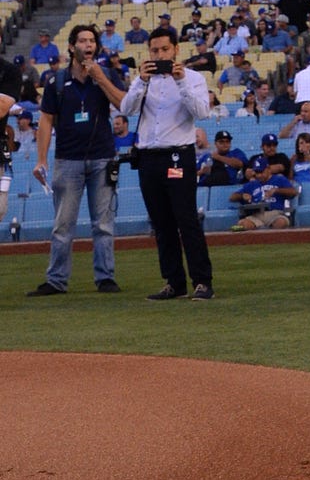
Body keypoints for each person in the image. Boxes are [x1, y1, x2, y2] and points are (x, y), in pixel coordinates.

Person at [28, 24, 127, 296]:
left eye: (92, 41)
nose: (88, 45)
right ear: (72, 47)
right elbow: (46, 120)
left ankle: (105, 277)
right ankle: (56, 280)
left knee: (103, 223)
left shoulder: (106, 74)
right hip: (67, 159)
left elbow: (123, 104)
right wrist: (41, 159)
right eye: (82, 41)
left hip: (102, 157)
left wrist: (101, 79)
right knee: (63, 225)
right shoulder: (56, 81)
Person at [118, 29, 217, 301]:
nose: (159, 55)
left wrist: (181, 80)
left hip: (178, 155)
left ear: (175, 50)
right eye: (154, 51)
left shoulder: (193, 78)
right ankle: (174, 282)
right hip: (149, 157)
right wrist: (140, 80)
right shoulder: (143, 80)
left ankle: (202, 281)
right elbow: (126, 109)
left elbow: (202, 112)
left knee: (186, 219)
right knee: (161, 223)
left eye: (164, 50)